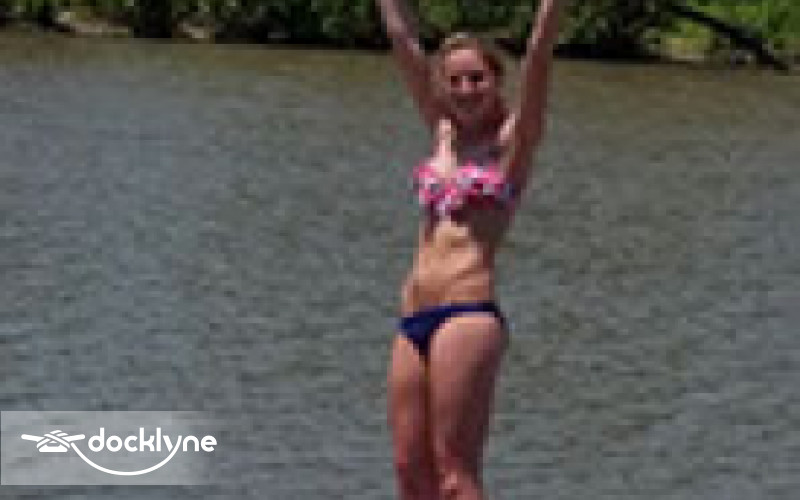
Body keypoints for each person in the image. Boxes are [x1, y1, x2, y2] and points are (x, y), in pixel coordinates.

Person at [377, 1, 562, 499]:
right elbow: (402, 40)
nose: (466, 90)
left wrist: (551, 11)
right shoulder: (444, 133)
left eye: (477, 78)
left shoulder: (514, 143)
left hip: (466, 314)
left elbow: (539, 52)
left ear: (497, 81)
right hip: (412, 317)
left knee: (455, 474)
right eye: (454, 80)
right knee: (409, 472)